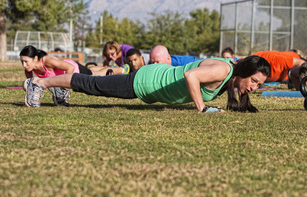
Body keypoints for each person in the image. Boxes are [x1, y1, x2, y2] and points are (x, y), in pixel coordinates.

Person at [23, 56, 271, 113]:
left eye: (258, 85)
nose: (253, 87)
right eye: (254, 81)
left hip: (153, 79)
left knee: (94, 83)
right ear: (245, 72)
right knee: (93, 84)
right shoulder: (223, 69)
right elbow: (191, 76)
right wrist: (202, 108)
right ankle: (39, 83)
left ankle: (55, 88)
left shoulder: (230, 75)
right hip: (146, 81)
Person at [19, 45, 113, 106]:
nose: (24, 65)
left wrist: (64, 88)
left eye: (26, 62)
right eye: (22, 62)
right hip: (69, 73)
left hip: (75, 69)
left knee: (96, 77)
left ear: (35, 58)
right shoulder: (29, 69)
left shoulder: (47, 61)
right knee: (94, 72)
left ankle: (113, 71)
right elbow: (32, 85)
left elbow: (70, 68)